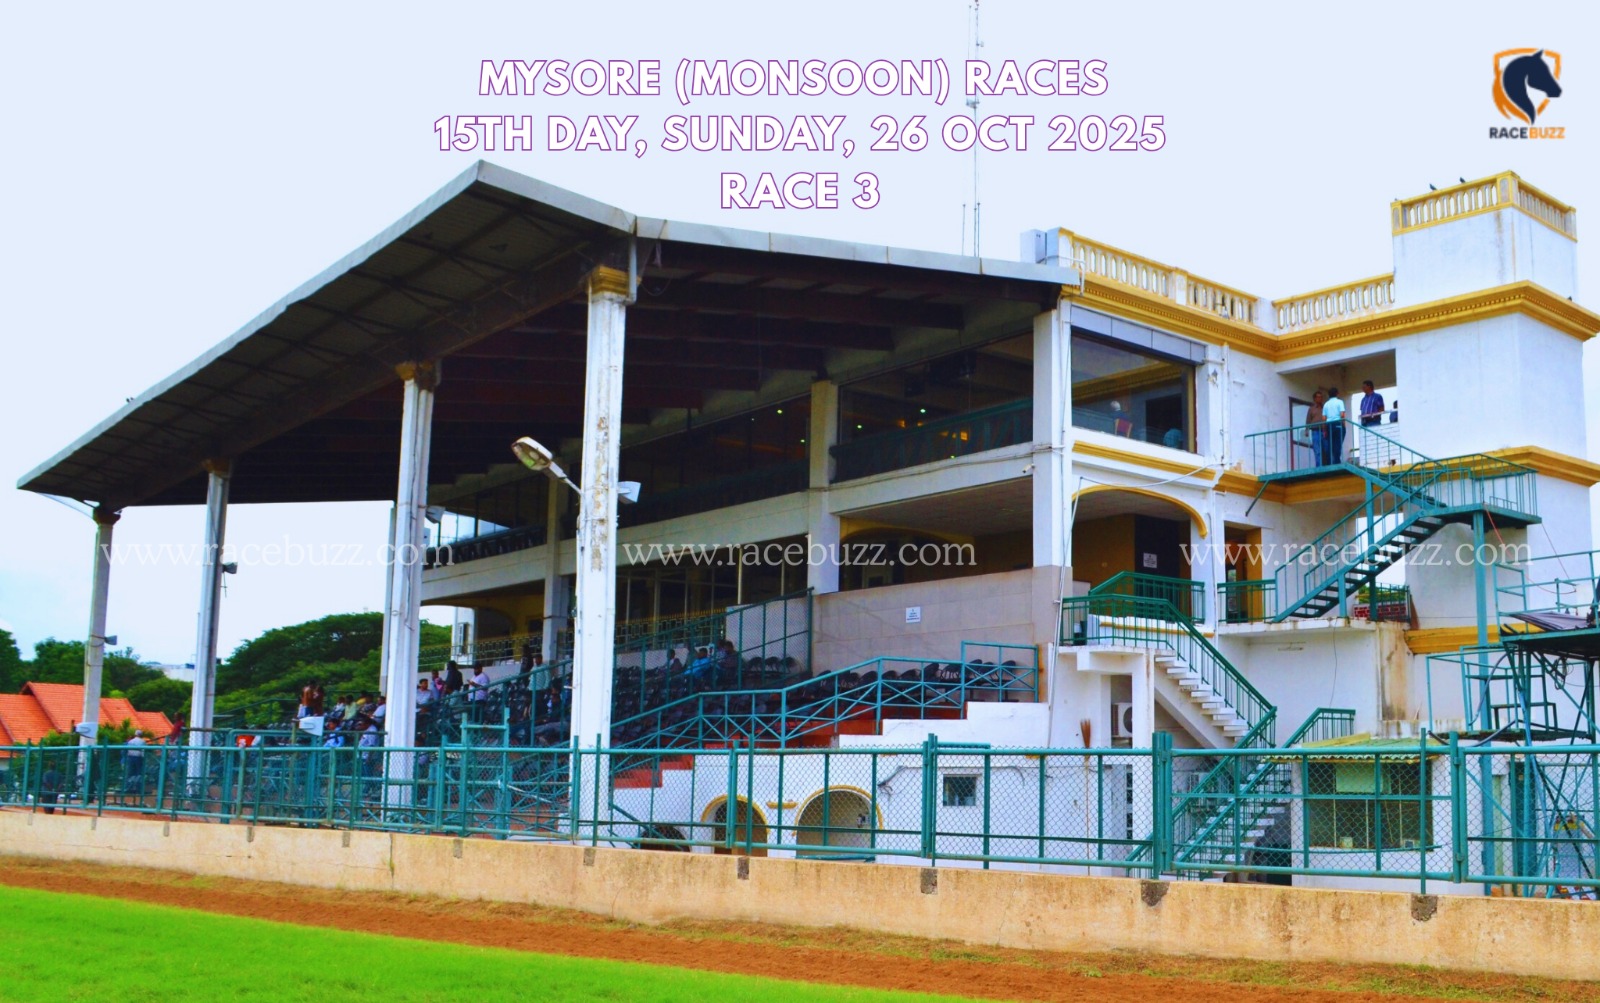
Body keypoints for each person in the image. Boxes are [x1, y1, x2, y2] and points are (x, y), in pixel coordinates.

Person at [1323, 387, 1347, 464]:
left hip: (1329, 425)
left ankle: (1331, 462)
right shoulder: (1339, 402)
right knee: (1338, 443)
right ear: (1337, 394)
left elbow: (1324, 418)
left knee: (1331, 444)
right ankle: (1337, 461)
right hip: (1338, 424)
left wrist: (1324, 429)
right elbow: (1342, 415)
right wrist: (1344, 425)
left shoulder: (1326, 404)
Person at [1306, 389, 1326, 467]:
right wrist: (1306, 430)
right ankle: (1319, 466)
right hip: (1315, 431)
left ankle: (1326, 465)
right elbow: (1308, 419)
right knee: (1317, 450)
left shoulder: (1325, 407)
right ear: (1314, 399)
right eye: (1318, 397)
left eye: (1321, 397)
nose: (1320, 399)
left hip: (1324, 430)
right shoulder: (1311, 409)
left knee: (1326, 448)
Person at [123, 730, 147, 796]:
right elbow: (144, 751)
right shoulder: (142, 741)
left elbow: (127, 750)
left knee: (130, 773)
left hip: (130, 757)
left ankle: (128, 788)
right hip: (139, 758)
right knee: (139, 773)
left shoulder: (130, 741)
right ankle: (138, 788)